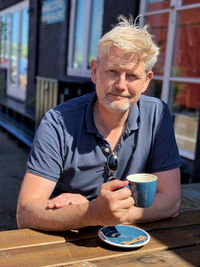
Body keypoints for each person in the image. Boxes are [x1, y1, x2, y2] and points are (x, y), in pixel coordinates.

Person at [17, 17, 181, 231]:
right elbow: (26, 212)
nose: (121, 85)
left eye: (132, 75)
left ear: (146, 82)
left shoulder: (157, 114)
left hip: (132, 242)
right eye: (112, 71)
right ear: (95, 71)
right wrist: (93, 213)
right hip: (65, 244)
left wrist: (98, 212)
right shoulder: (58, 122)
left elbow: (171, 201)